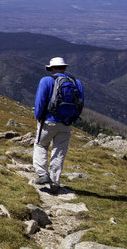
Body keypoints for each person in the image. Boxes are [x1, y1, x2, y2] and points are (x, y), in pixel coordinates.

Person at [32, 57, 84, 194]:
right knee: (59, 152)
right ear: (64, 68)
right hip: (66, 123)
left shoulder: (46, 81)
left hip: (49, 121)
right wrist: (72, 120)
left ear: (52, 69)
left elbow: (41, 101)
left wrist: (39, 117)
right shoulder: (76, 82)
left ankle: (42, 174)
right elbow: (80, 103)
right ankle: (55, 182)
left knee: (41, 145)